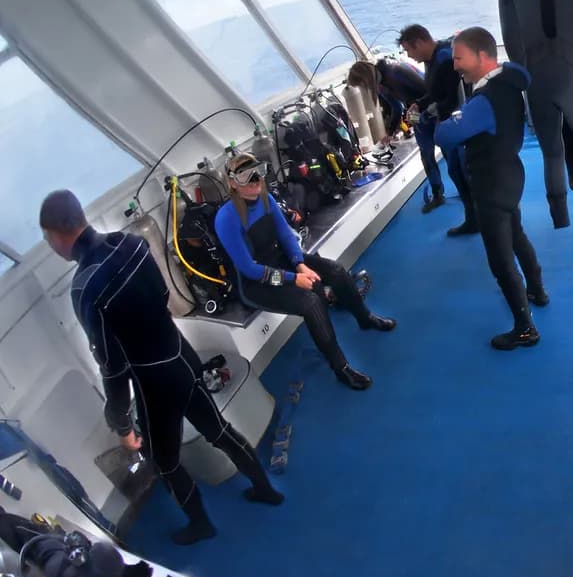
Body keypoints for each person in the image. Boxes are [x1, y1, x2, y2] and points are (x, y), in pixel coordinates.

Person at [40, 190, 283, 546]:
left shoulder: (85, 287)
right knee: (219, 430)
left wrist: (121, 423)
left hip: (155, 381)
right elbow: (163, 297)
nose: (50, 246)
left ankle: (201, 524)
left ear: (57, 235)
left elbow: (112, 366)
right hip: (181, 353)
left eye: (47, 239)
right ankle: (265, 489)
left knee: (163, 461)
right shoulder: (132, 244)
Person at [214, 152, 394, 390]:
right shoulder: (226, 218)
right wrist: (293, 278)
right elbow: (249, 269)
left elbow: (286, 236)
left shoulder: (266, 199)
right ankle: (340, 368)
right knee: (311, 302)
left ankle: (364, 318)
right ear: (233, 183)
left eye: (258, 172)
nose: (256, 180)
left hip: (279, 261)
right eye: (246, 176)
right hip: (255, 283)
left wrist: (299, 263)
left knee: (336, 271)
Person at [435, 27, 548, 350]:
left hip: (491, 185)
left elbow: (445, 135)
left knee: (500, 260)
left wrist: (451, 118)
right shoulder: (509, 82)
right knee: (517, 236)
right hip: (510, 176)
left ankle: (525, 329)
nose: (455, 65)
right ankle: (537, 291)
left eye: (459, 58)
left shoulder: (484, 100)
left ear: (482, 56)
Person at [398, 24, 479, 233]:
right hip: (447, 124)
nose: (409, 56)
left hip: (458, 125)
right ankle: (473, 217)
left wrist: (427, 113)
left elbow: (454, 97)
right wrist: (419, 104)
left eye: (409, 50)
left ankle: (479, 218)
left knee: (464, 172)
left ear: (419, 43)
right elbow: (436, 92)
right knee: (456, 171)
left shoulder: (444, 57)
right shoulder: (432, 60)